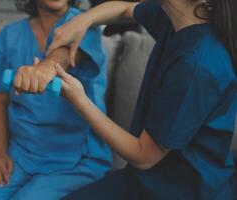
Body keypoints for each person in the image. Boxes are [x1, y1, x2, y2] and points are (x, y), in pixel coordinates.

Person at [46, 0, 237, 199]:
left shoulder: (197, 64)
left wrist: (79, 99)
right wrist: (84, 20)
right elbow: (124, 9)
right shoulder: (172, 17)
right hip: (145, 179)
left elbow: (144, 156)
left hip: (184, 191)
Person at [0, 0, 112, 199]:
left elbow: (66, 55)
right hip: (23, 154)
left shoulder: (84, 24)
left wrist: (46, 68)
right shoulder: (10, 35)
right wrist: (0, 153)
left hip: (77, 158)